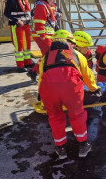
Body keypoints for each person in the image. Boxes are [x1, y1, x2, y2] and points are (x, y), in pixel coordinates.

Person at [38, 30, 102, 159]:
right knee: (77, 115)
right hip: (71, 88)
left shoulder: (46, 57)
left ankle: (61, 148)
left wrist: (41, 93)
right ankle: (83, 145)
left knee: (55, 117)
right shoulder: (76, 55)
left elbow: (41, 76)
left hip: (49, 89)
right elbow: (88, 75)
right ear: (71, 43)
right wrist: (94, 89)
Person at [27, 0, 57, 82]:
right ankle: (35, 71)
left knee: (47, 55)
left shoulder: (44, 5)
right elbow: (39, 22)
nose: (52, 0)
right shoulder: (41, 5)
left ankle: (35, 71)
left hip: (46, 35)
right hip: (43, 36)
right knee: (48, 55)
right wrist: (42, 35)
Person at [4, 0, 34, 73]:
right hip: (17, 26)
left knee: (27, 44)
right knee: (19, 45)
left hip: (26, 25)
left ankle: (27, 62)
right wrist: (17, 20)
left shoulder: (23, 1)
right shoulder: (12, 0)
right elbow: (7, 13)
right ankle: (20, 66)